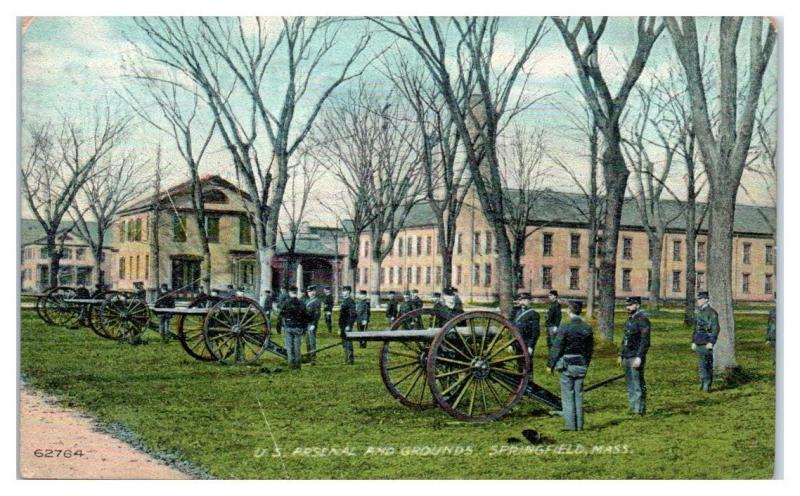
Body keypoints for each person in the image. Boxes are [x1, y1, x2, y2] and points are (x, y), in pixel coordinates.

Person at [547, 300, 593, 431]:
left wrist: (550, 364)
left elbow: (557, 347)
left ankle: (570, 426)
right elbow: (589, 350)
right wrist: (586, 364)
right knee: (578, 395)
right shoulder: (587, 328)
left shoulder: (565, 327)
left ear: (569, 310)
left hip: (567, 365)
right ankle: (579, 426)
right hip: (581, 364)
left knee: (567, 396)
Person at [619, 296, 651, 415]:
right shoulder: (630, 320)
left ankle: (640, 409)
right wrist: (621, 353)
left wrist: (640, 357)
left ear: (637, 305)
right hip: (627, 355)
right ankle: (633, 406)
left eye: (631, 305)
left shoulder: (643, 320)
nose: (628, 307)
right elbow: (625, 338)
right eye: (627, 305)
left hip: (635, 356)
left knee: (638, 383)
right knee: (630, 383)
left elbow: (645, 341)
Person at [692, 291, 720, 392]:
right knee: (701, 364)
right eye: (698, 299)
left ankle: (707, 384)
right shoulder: (699, 312)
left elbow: (715, 329)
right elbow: (695, 328)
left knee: (707, 364)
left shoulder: (712, 312)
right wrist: (693, 341)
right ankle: (703, 382)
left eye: (700, 299)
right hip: (699, 340)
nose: (698, 301)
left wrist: (711, 342)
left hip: (707, 341)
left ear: (706, 300)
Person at [280, 286, 309, 369]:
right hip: (298, 327)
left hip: (288, 327)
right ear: (296, 292)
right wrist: (304, 328)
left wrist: (282, 326)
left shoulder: (286, 303)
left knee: (289, 347)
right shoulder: (301, 303)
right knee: (297, 347)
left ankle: (291, 364)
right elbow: (305, 317)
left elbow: (281, 314)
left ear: (289, 293)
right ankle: (297, 364)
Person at [513, 292, 541, 363]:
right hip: (517, 343)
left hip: (526, 343)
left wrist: (531, 346)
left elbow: (536, 332)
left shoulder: (534, 314)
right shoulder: (517, 313)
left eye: (525, 300)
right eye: (521, 300)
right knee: (519, 363)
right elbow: (513, 329)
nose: (522, 302)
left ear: (530, 301)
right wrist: (511, 344)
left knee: (527, 364)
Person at [338, 286, 357, 364]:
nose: (343, 292)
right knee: (344, 342)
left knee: (348, 342)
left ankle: (350, 359)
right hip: (343, 325)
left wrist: (349, 325)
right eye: (343, 291)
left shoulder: (350, 301)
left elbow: (352, 315)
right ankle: (346, 359)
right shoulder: (344, 301)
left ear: (349, 292)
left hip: (347, 325)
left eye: (345, 291)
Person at [304, 285, 321, 364]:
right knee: (308, 341)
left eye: (311, 291)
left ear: (315, 292)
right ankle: (308, 357)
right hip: (307, 323)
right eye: (309, 292)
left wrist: (314, 324)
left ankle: (313, 358)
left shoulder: (316, 301)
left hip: (311, 324)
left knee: (312, 341)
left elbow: (317, 314)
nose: (310, 293)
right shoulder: (307, 301)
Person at [767, 294, 777, 365]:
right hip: (774, 334)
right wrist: (768, 338)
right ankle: (775, 361)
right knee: (775, 348)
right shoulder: (772, 312)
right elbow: (769, 325)